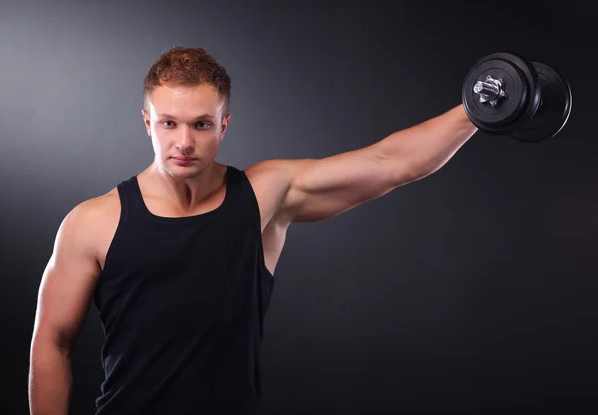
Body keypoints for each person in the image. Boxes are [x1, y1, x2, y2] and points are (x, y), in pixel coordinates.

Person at [28, 46, 477, 415]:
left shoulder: (263, 196)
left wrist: (477, 108)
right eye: (169, 123)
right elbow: (52, 340)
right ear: (148, 122)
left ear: (224, 124)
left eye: (201, 124)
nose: (184, 142)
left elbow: (391, 163)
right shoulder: (92, 222)